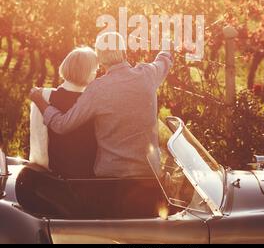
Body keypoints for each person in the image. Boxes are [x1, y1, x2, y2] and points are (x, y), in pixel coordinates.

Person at [30, 32, 173, 179]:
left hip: (111, 179)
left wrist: (39, 99)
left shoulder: (97, 89)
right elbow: (163, 61)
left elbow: (63, 125)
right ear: (124, 52)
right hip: (150, 175)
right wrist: (166, 48)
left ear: (99, 59)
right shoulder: (148, 74)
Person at [30, 47, 98, 179]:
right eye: (95, 70)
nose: (96, 73)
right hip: (89, 174)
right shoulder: (95, 101)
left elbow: (39, 140)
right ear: (88, 72)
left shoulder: (44, 95)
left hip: (55, 173)